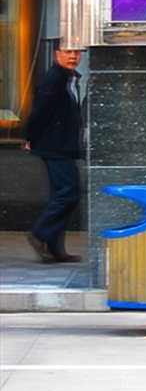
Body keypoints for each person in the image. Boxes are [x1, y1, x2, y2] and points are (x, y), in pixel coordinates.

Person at [24, 47, 84, 263]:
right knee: (68, 191)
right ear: (55, 54)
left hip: (62, 145)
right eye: (68, 52)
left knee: (63, 193)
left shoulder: (69, 78)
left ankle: (54, 247)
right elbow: (39, 112)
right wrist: (31, 138)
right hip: (53, 145)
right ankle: (40, 235)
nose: (73, 57)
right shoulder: (53, 79)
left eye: (77, 53)